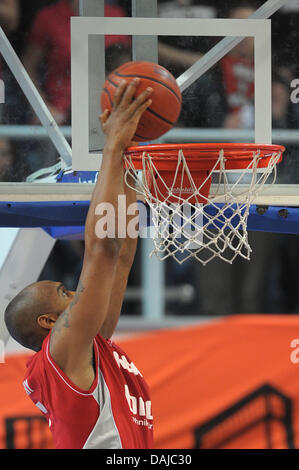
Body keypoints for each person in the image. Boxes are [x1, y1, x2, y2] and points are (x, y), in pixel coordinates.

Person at [4, 79, 154, 449]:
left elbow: (121, 254)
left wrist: (127, 165)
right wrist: (113, 146)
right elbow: (102, 251)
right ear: (49, 323)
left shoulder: (87, 346)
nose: (74, 289)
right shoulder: (60, 351)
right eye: (62, 291)